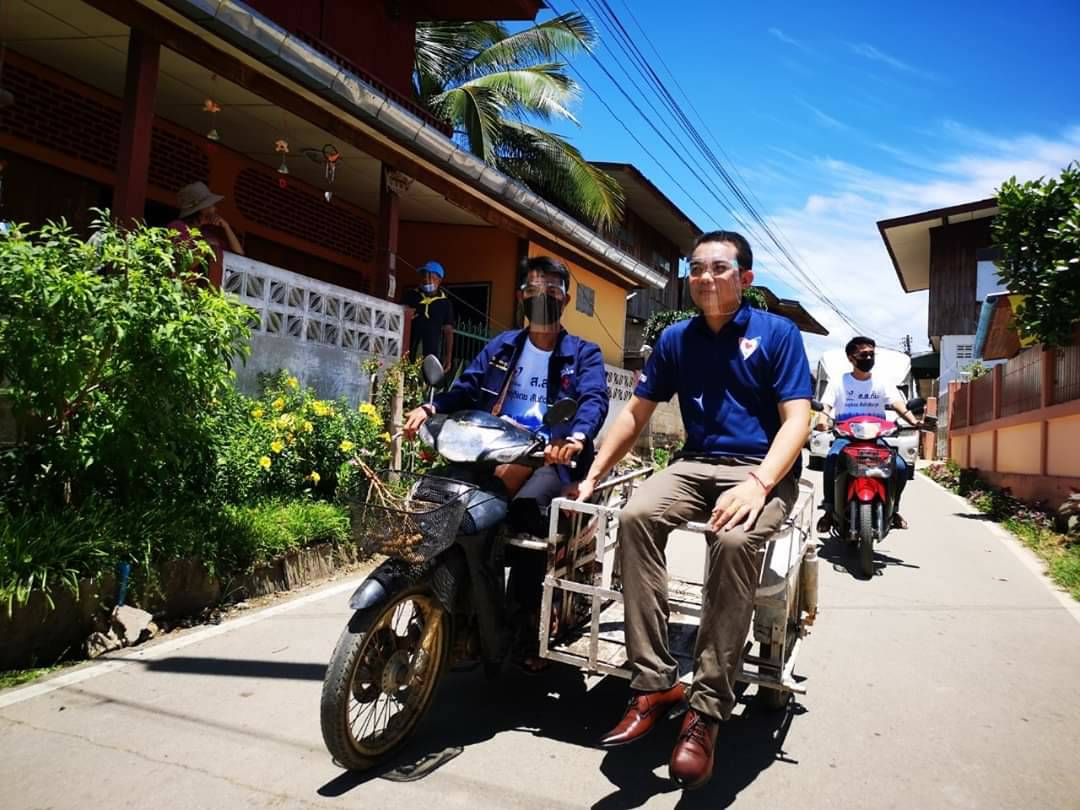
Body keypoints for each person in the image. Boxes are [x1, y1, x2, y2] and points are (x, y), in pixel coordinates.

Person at [573, 230, 812, 790]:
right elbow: (635, 414)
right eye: (696, 268)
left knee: (732, 540)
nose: (704, 277)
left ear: (745, 279)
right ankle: (654, 681)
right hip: (695, 463)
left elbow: (798, 420)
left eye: (718, 267)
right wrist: (594, 474)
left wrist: (758, 484)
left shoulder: (778, 334)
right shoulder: (675, 339)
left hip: (762, 469)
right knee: (636, 516)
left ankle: (706, 709)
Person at [403, 255, 609, 670]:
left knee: (527, 516)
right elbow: (467, 388)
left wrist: (575, 437)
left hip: (547, 455)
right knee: (439, 499)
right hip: (490, 448)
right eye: (534, 290)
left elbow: (593, 399)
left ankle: (524, 622)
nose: (542, 298)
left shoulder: (583, 354)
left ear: (566, 299)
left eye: (551, 291)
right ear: (520, 297)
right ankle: (441, 593)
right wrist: (431, 408)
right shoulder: (502, 346)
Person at [814, 336, 921, 533]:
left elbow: (898, 404)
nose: (869, 358)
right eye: (863, 355)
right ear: (851, 358)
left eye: (872, 354)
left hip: (876, 438)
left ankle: (894, 510)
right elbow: (826, 407)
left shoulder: (882, 382)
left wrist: (914, 421)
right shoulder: (838, 382)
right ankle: (829, 510)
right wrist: (822, 420)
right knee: (831, 460)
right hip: (846, 438)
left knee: (900, 467)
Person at [167, 181, 244, 286]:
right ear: (200, 209)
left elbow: (239, 255)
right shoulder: (177, 227)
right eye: (210, 205)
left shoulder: (206, 235)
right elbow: (184, 263)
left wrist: (226, 227)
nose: (214, 209)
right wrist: (205, 246)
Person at [402, 261, 455, 372]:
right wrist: (407, 316)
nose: (426, 279)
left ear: (439, 279)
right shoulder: (411, 295)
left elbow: (448, 331)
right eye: (424, 275)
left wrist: (448, 357)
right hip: (408, 350)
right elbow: (399, 315)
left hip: (431, 353)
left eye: (430, 276)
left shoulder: (445, 303)